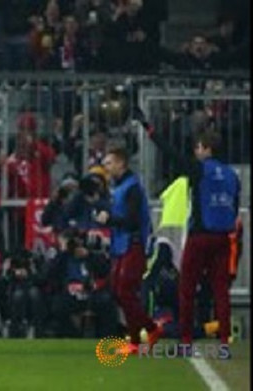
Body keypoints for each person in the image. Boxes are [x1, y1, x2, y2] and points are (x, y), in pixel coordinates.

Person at [146, 126, 240, 358]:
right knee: (221, 291)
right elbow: (235, 207)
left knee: (186, 288)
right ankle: (224, 344)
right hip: (223, 237)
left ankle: (186, 341)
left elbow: (171, 153)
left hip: (200, 236)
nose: (196, 151)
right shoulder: (232, 175)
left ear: (206, 148)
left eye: (198, 147)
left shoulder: (199, 170)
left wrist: (150, 130)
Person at [95, 146, 162, 354]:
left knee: (125, 290)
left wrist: (111, 219)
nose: (106, 168)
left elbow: (132, 220)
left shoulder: (132, 187)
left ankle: (147, 330)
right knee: (119, 290)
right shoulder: (119, 187)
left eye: (109, 163)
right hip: (122, 244)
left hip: (133, 243)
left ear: (120, 163)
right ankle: (140, 335)